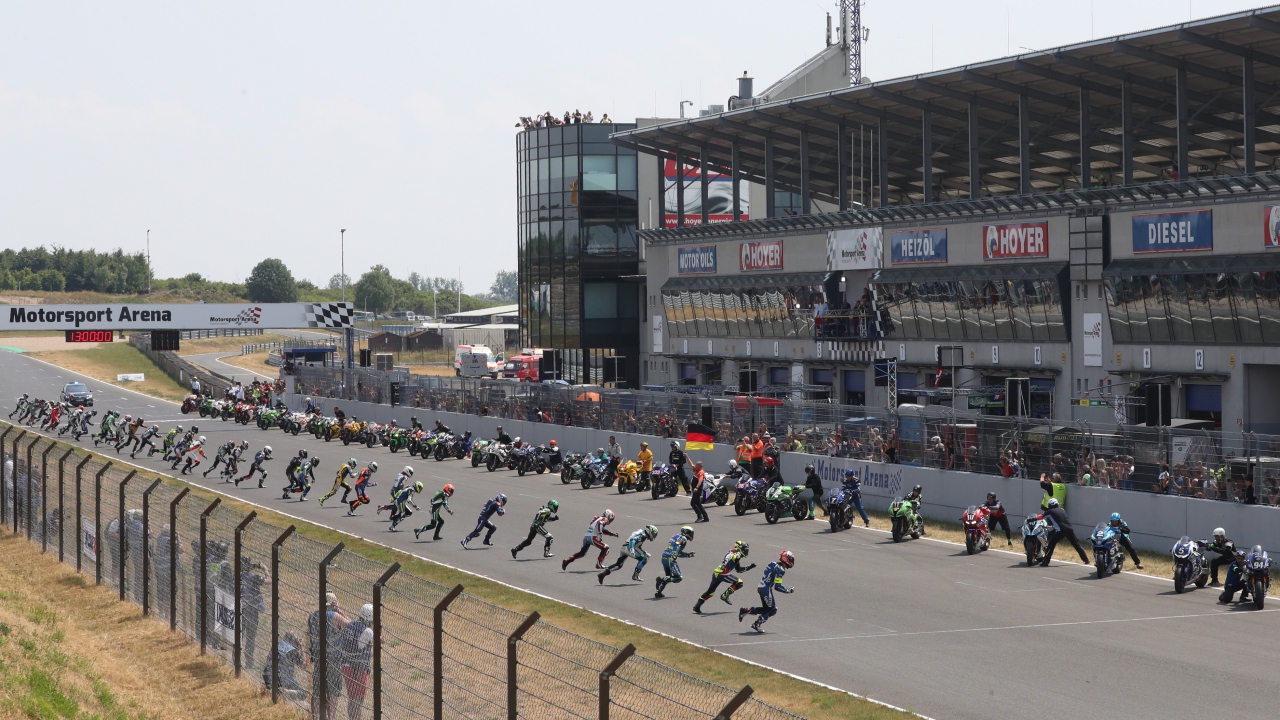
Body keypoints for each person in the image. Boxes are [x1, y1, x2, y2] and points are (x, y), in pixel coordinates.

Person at [308, 592, 349, 718]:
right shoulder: (334, 615)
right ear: (333, 604)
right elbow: (351, 626)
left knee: (317, 691)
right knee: (333, 692)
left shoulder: (312, 616)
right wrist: (340, 611)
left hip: (318, 657)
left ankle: (315, 716)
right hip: (333, 658)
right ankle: (331, 717)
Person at [739, 550, 796, 632]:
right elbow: (777, 586)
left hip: (761, 586)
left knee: (766, 609)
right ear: (786, 559)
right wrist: (788, 590)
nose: (792, 561)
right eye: (791, 559)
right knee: (773, 609)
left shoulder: (772, 563)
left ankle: (746, 610)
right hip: (766, 589)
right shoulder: (781, 570)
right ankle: (757, 624)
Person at [694, 540, 756, 613]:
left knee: (710, 592)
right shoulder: (735, 553)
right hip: (723, 573)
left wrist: (749, 567)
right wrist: (725, 563)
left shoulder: (736, 555)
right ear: (740, 548)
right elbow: (729, 556)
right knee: (739, 582)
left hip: (717, 573)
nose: (746, 552)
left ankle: (697, 606)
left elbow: (738, 570)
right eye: (745, 550)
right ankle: (725, 595)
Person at [339, 603, 376, 720]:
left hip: (346, 665)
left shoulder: (351, 625)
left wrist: (340, 611)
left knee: (352, 698)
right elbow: (380, 640)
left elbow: (349, 621)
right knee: (358, 700)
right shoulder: (368, 632)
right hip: (358, 668)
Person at [1039, 498, 1089, 566]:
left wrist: (1032, 518)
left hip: (1061, 530)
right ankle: (1086, 559)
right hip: (1069, 529)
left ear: (1050, 505)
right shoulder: (1062, 510)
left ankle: (1045, 562)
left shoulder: (1049, 511)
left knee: (1051, 544)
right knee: (1076, 545)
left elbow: (1040, 517)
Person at [264, 631, 308, 702]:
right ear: (291, 641)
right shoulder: (291, 651)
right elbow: (304, 665)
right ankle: (286, 691)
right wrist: (302, 648)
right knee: (303, 694)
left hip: (268, 678)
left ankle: (280, 692)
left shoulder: (277, 645)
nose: (297, 643)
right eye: (295, 641)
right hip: (283, 680)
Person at [654, 526, 696, 598]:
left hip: (664, 557)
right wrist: (674, 553)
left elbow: (678, 553)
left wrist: (687, 554)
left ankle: (658, 592)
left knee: (669, 576)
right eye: (691, 533)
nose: (692, 535)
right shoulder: (683, 538)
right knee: (679, 578)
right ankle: (661, 580)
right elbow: (677, 544)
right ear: (686, 532)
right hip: (670, 559)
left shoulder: (676, 536)